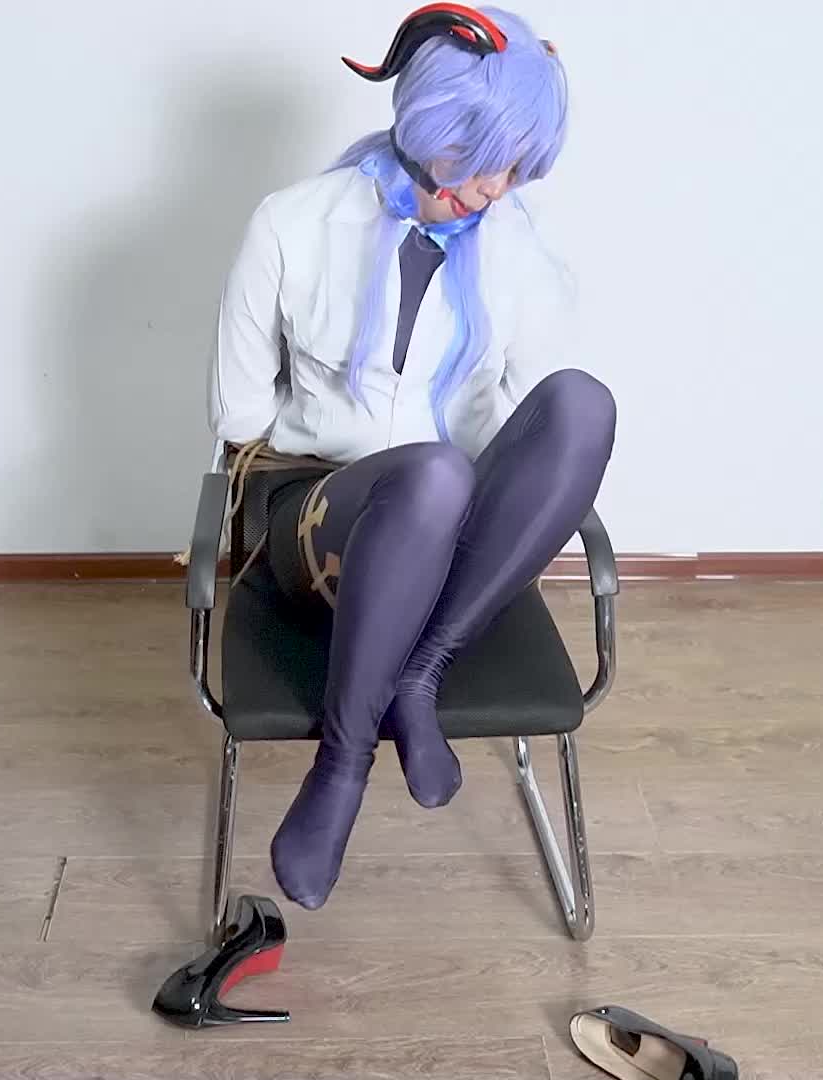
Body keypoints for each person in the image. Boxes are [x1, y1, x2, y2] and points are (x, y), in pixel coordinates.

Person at [205, 3, 615, 910]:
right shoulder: (291, 225)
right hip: (317, 524)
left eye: (516, 166)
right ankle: (343, 762)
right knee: (432, 473)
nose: (496, 187)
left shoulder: (517, 251)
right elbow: (240, 417)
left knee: (582, 404)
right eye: (483, 156)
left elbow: (538, 422)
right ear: (431, 121)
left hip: (451, 550)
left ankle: (420, 670)